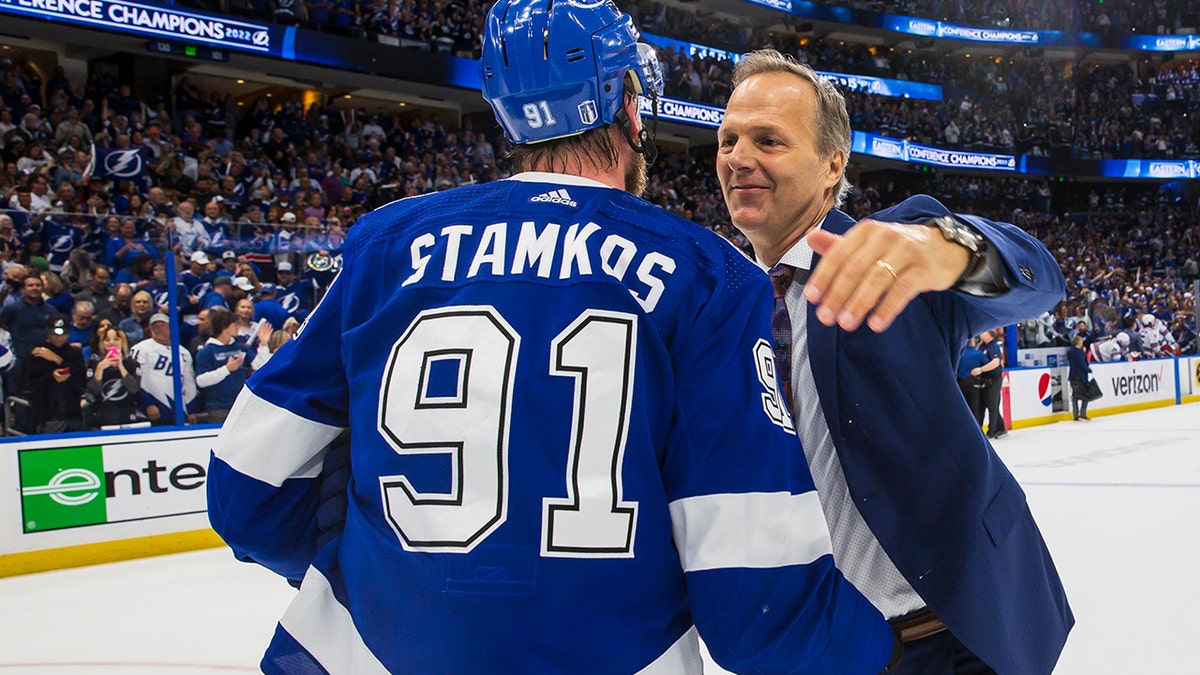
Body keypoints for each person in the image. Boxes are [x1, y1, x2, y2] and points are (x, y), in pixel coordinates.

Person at [208, 4, 898, 674]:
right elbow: (759, 605)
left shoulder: (385, 247)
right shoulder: (708, 278)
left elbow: (246, 489)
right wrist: (883, 649)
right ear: (629, 107)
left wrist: (376, 561)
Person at [716, 49, 1072, 675]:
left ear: (833, 165)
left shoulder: (894, 253)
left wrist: (948, 248)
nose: (739, 157)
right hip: (821, 650)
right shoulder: (720, 300)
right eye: (728, 140)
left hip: (954, 639)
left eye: (768, 140)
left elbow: (1040, 277)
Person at [11, 314, 86, 432]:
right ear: (47, 331)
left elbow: (81, 382)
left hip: (73, 413)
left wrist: (58, 360)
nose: (58, 338)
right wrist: (51, 377)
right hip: (46, 414)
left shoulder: (74, 354)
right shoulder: (37, 354)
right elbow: (25, 385)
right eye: (54, 334)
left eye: (62, 334)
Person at [194, 307, 269, 423]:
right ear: (224, 326)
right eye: (235, 325)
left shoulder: (240, 347)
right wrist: (227, 369)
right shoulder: (207, 351)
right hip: (218, 408)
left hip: (241, 406)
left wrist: (263, 344)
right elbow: (200, 381)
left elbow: (261, 366)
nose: (238, 327)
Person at [130, 313, 197, 425]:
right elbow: (138, 381)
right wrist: (147, 404)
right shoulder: (141, 349)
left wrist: (191, 409)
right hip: (153, 407)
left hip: (178, 409)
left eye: (162, 325)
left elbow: (189, 382)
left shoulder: (183, 352)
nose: (158, 329)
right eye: (155, 326)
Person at [85, 326, 142, 427]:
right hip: (101, 418)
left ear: (122, 342)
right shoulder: (94, 364)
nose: (112, 342)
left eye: (116, 339)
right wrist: (100, 368)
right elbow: (93, 391)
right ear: (102, 343)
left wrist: (120, 366)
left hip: (127, 417)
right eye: (107, 340)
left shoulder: (132, 364)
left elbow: (134, 389)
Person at [976, 329, 1006, 439]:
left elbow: (996, 362)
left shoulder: (992, 346)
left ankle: (993, 430)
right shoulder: (982, 346)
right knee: (986, 403)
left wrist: (981, 369)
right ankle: (1000, 427)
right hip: (985, 379)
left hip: (994, 378)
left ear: (990, 335)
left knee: (992, 404)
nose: (980, 334)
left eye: (983, 332)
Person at [955, 336, 986, 426]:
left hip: (961, 382)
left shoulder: (960, 354)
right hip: (974, 382)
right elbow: (986, 363)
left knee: (963, 407)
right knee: (975, 407)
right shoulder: (978, 353)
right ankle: (976, 428)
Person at [1066, 335, 1092, 421]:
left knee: (1075, 396)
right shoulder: (1080, 352)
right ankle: (1083, 413)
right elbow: (1081, 363)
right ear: (1079, 342)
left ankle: (1075, 415)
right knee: (1086, 395)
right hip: (1080, 376)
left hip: (1073, 375)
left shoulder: (1070, 351)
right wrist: (1088, 370)